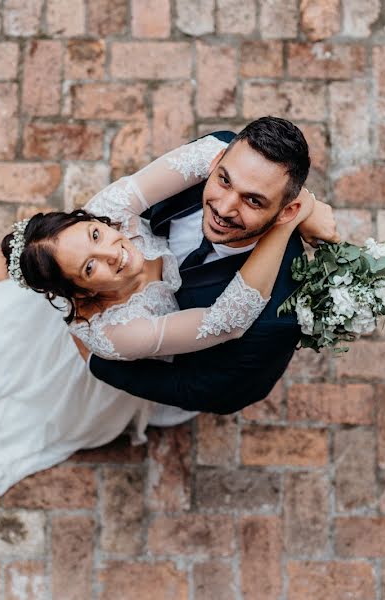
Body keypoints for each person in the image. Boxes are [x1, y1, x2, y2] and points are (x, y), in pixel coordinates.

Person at [0, 117, 338, 499]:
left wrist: (303, 207)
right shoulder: (116, 333)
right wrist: (286, 222)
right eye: (90, 269)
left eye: (96, 236)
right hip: (122, 355)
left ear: (92, 221)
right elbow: (225, 322)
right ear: (82, 292)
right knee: (53, 394)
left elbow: (208, 154)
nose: (113, 252)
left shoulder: (110, 210)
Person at [89, 117, 337, 414]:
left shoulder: (278, 316)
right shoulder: (210, 153)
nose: (224, 208)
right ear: (217, 159)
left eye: (253, 201)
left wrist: (97, 361)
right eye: (224, 181)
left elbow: (213, 394)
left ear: (288, 211)